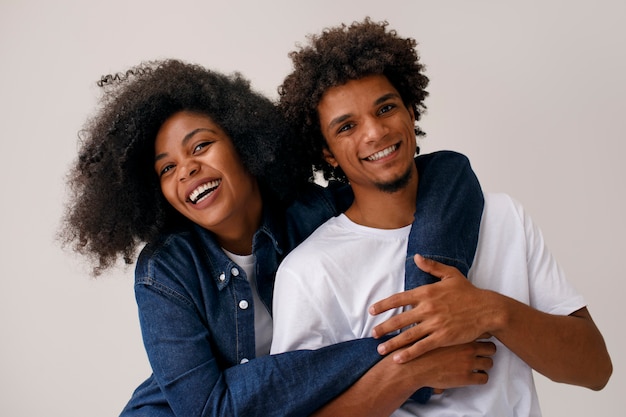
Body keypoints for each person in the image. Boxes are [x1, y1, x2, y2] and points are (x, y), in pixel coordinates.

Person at [60, 58, 494, 416]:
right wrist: (405, 352)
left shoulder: (310, 211)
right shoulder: (163, 271)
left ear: (244, 143)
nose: (186, 169)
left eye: (200, 146)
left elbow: (445, 171)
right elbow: (210, 408)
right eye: (167, 168)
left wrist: (427, 313)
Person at [270, 18, 612, 417]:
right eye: (347, 126)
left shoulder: (502, 217)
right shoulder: (310, 272)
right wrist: (408, 375)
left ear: (411, 111)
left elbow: (595, 369)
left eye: (386, 108)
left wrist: (492, 312)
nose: (375, 133)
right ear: (327, 153)